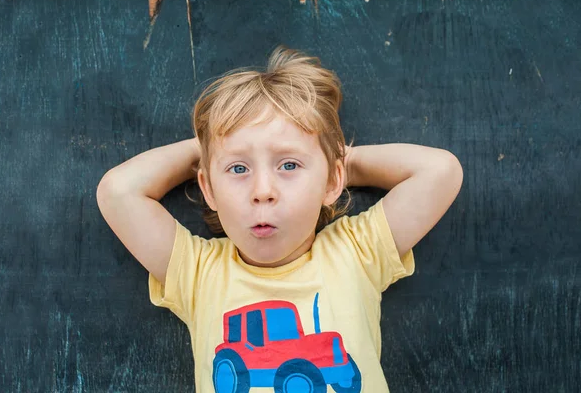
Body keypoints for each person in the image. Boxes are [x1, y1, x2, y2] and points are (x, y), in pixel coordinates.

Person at [96, 46, 463, 393]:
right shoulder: (198, 272)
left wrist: (333, 163)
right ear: (208, 188)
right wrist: (210, 143)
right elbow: (118, 191)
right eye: (238, 167)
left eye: (289, 165)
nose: (263, 190)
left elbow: (439, 171)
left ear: (333, 180)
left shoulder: (356, 252)